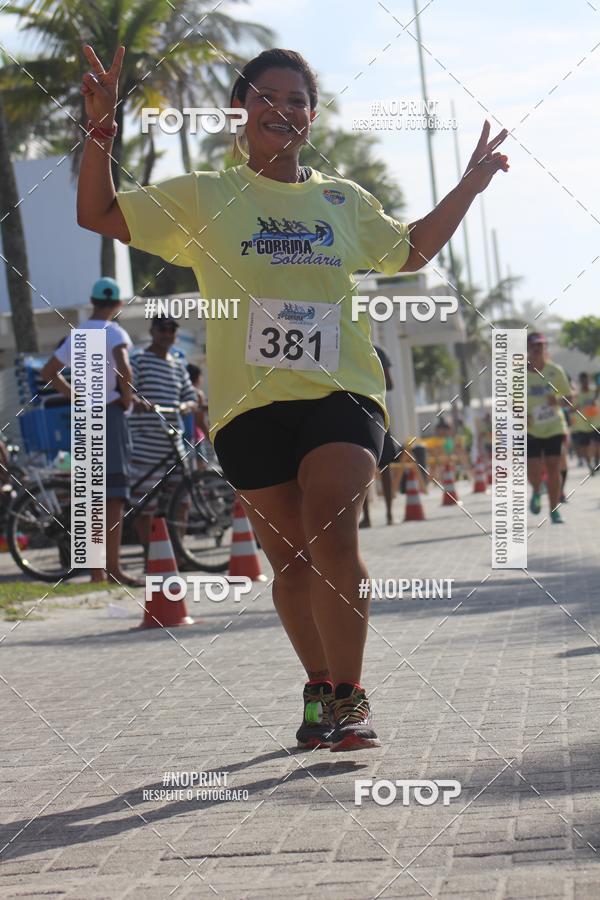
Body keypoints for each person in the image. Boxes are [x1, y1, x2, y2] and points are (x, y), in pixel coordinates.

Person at [77, 44, 509, 751]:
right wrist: (101, 129)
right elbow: (96, 212)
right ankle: (318, 685)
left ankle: (350, 698)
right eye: (268, 98)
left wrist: (468, 184)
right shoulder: (204, 196)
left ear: (312, 115)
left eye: (299, 100)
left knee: (333, 530)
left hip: (343, 392)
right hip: (248, 409)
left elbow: (410, 251)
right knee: (293, 566)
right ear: (239, 112)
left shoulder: (341, 200)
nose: (285, 110)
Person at [41, 277, 138, 584]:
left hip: (84, 417)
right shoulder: (114, 332)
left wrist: (77, 397)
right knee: (114, 495)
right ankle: (114, 567)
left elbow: (49, 371)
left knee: (92, 495)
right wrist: (127, 398)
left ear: (93, 301)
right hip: (109, 414)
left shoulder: (78, 334)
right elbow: (124, 366)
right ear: (118, 304)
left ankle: (98, 571)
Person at [128, 315, 198, 554]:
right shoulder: (139, 360)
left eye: (171, 329)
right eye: (162, 329)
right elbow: (128, 390)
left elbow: (191, 396)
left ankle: (180, 554)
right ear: (152, 331)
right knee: (144, 504)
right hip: (146, 442)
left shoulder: (178, 364)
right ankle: (151, 555)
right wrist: (138, 402)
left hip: (175, 443)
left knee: (183, 500)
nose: (167, 334)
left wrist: (186, 405)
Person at [526, 333, 572, 523]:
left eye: (541, 345)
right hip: (530, 429)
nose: (538, 349)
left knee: (554, 467)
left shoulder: (555, 371)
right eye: (534, 346)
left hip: (554, 426)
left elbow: (570, 398)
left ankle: (554, 510)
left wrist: (558, 401)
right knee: (533, 469)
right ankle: (537, 491)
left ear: (545, 347)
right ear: (528, 348)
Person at [360, 345, 402, 527]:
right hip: (377, 412)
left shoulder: (353, 348)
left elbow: (390, 384)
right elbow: (390, 384)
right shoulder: (378, 351)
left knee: (363, 467)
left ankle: (372, 517)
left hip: (361, 412)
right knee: (381, 467)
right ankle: (386, 515)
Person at [571, 372, 599, 476]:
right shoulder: (577, 395)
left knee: (597, 444)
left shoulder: (595, 392)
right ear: (580, 382)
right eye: (583, 381)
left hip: (596, 422)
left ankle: (596, 461)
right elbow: (571, 408)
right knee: (584, 447)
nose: (585, 383)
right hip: (582, 425)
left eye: (586, 380)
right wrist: (576, 407)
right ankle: (589, 465)